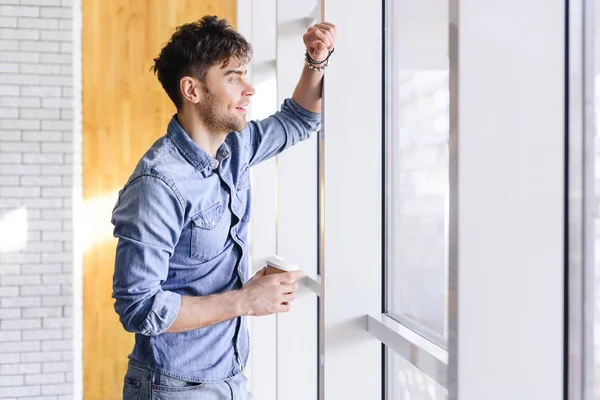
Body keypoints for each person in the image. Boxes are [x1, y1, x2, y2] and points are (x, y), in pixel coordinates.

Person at [111, 15, 337, 399]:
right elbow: (139, 307)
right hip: (172, 389)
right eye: (233, 77)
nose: (249, 89)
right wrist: (244, 300)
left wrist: (315, 60)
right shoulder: (158, 184)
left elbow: (299, 120)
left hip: (229, 380)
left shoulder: (235, 149)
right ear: (192, 90)